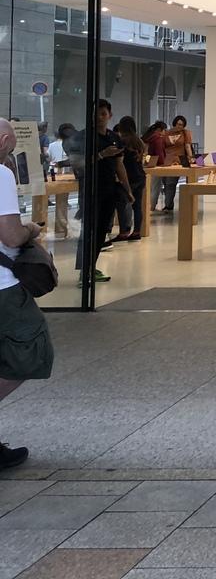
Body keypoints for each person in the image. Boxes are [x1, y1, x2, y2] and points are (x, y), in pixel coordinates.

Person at [0, 117, 54, 469]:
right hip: (2, 288)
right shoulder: (1, 174)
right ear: (3, 141)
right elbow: (10, 235)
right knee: (31, 352)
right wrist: (32, 228)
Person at [68, 99, 129, 284]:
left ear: (110, 115)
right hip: (90, 190)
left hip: (109, 190)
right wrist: (102, 155)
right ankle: (84, 271)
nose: (100, 118)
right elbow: (77, 164)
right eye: (96, 114)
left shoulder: (114, 137)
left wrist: (127, 189)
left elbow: (119, 165)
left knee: (102, 231)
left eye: (103, 114)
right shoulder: (83, 137)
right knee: (89, 230)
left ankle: (90, 267)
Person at [112, 116, 147, 243]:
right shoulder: (139, 141)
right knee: (137, 206)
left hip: (128, 177)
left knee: (121, 204)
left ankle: (123, 232)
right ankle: (137, 231)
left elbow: (119, 162)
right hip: (140, 176)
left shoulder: (122, 141)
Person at [156, 114, 194, 212]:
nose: (179, 126)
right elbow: (162, 146)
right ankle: (169, 204)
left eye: (182, 125)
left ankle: (167, 206)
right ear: (174, 123)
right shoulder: (167, 133)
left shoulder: (185, 133)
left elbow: (187, 146)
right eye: (178, 124)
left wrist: (191, 158)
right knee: (165, 182)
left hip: (178, 160)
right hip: (166, 160)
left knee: (171, 183)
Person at [143, 120, 168, 211]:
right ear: (159, 130)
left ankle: (146, 206)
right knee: (155, 187)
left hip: (146, 164)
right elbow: (159, 153)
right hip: (156, 165)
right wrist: (164, 163)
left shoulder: (148, 137)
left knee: (148, 187)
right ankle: (152, 207)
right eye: (164, 130)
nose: (165, 132)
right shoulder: (158, 139)